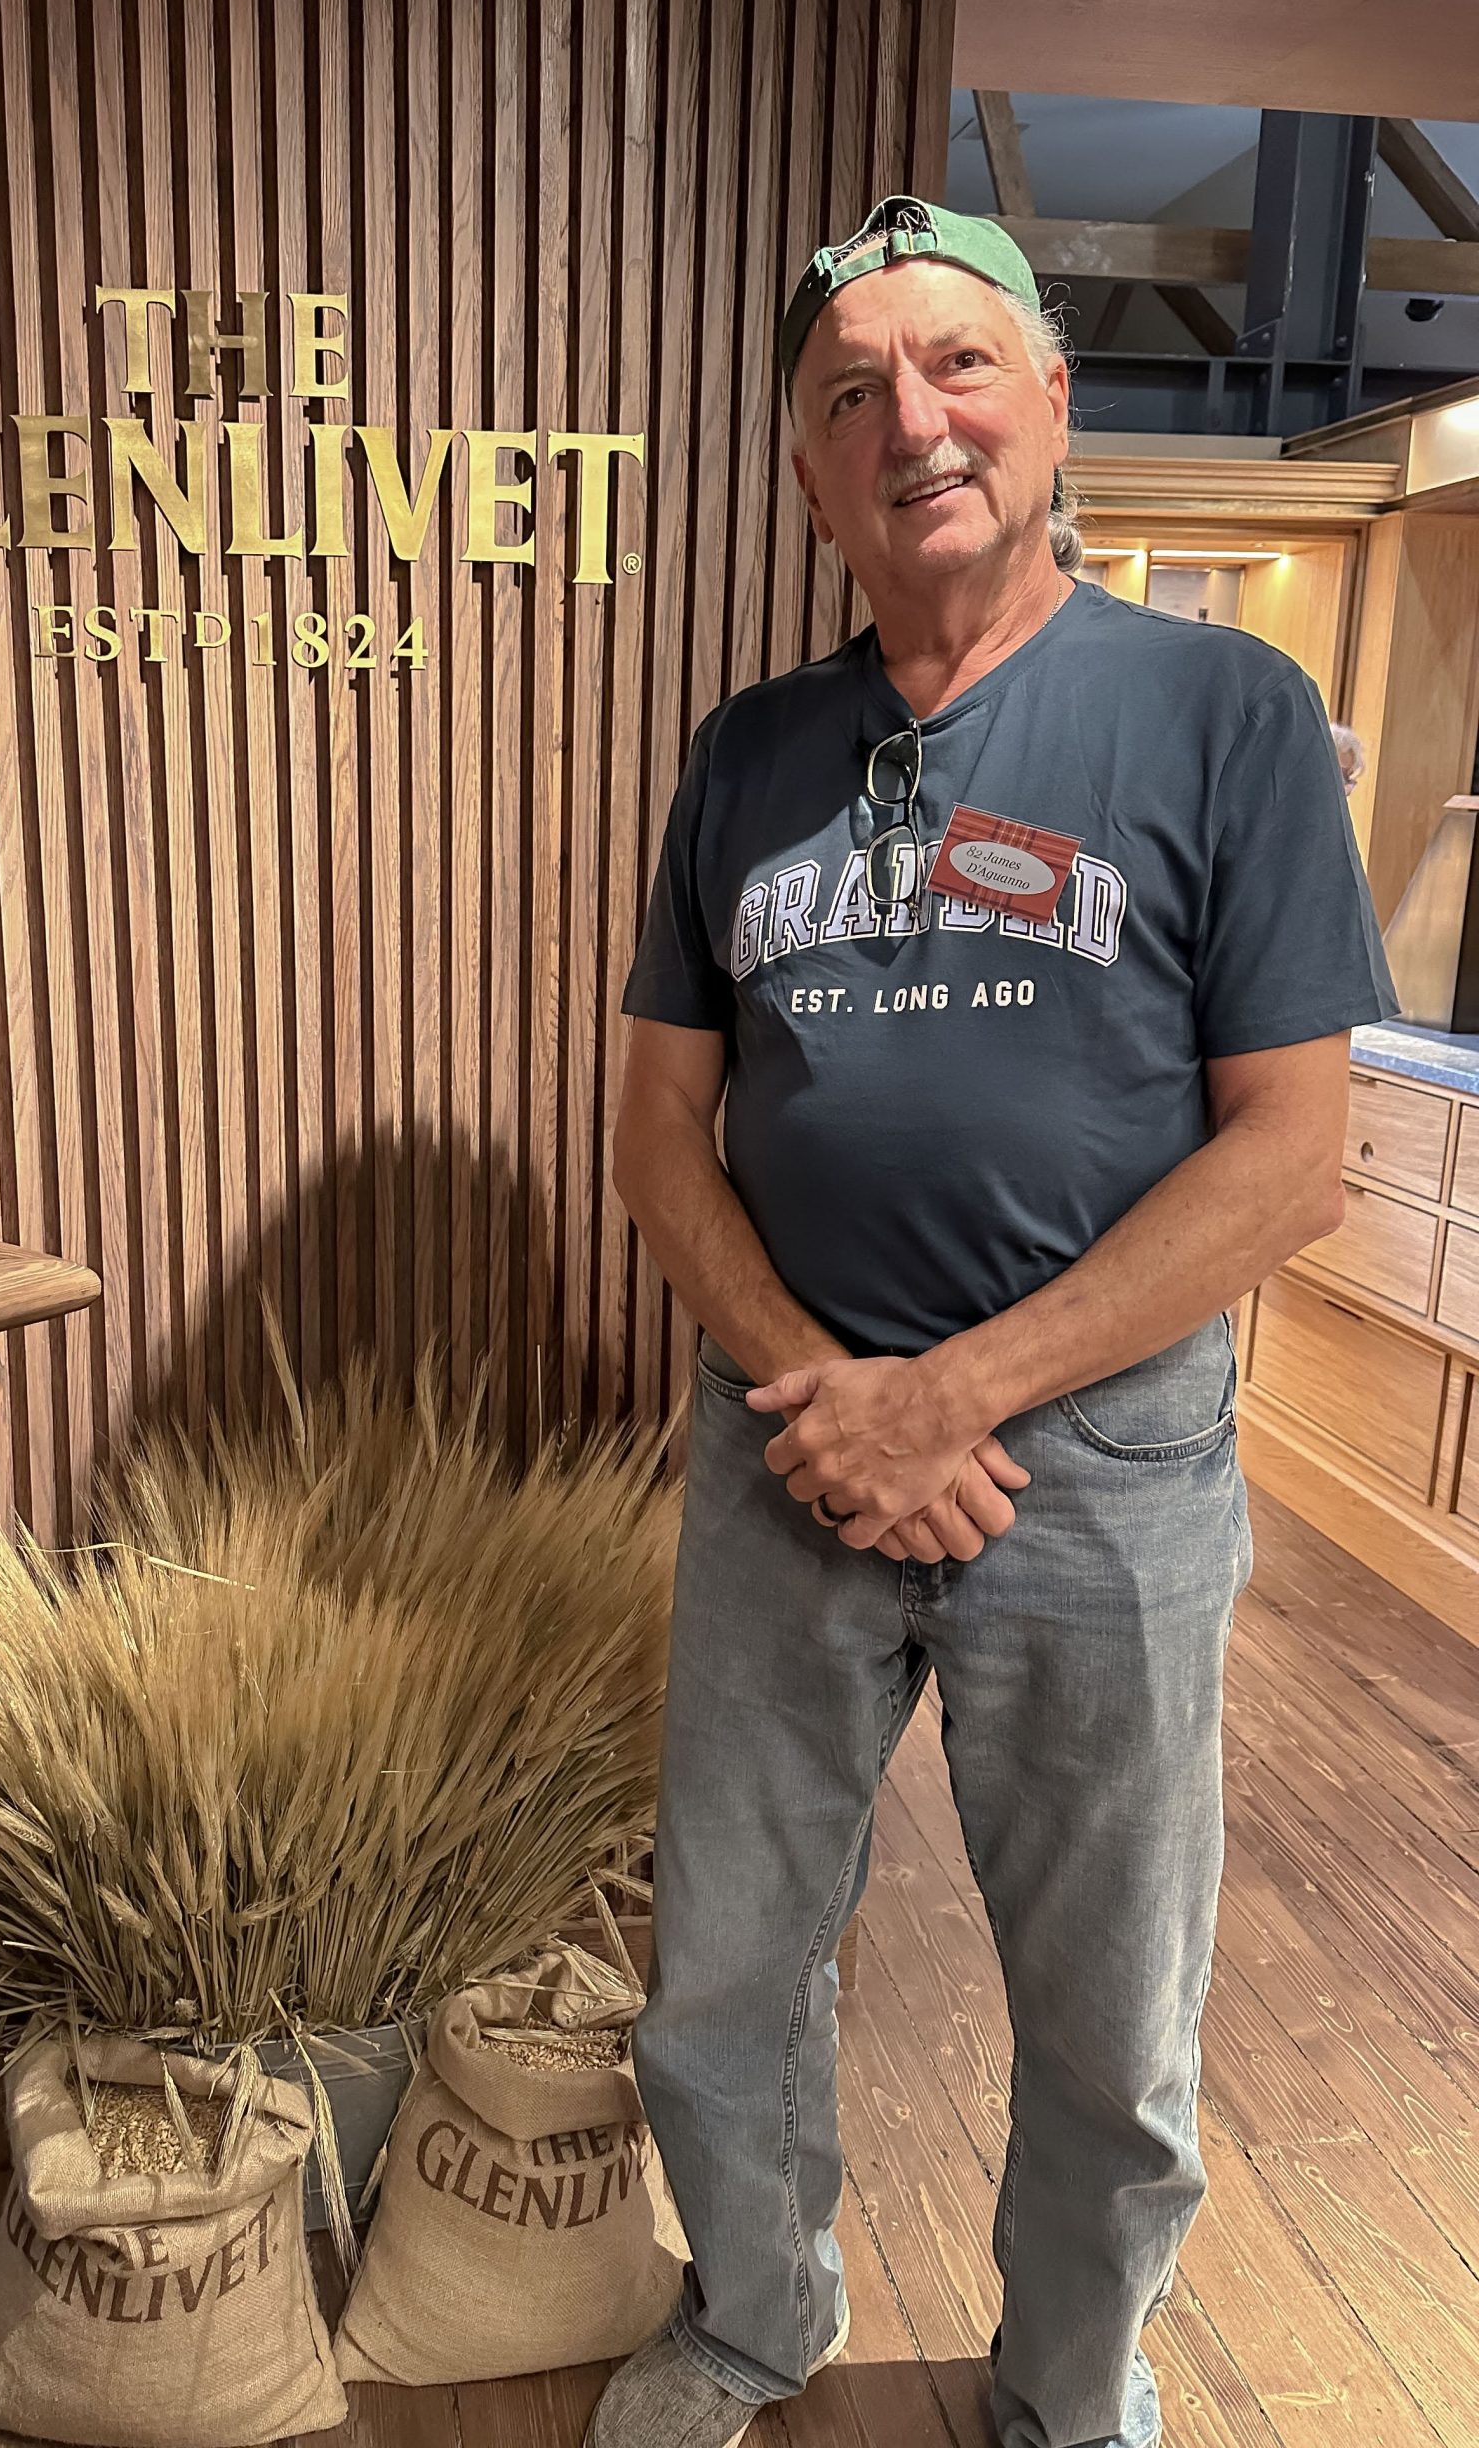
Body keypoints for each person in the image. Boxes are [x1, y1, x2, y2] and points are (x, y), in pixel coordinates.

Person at [591, 194, 1398, 2448]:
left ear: (1051, 399)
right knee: (724, 1964)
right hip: (785, 1442)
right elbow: (656, 1129)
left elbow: (1289, 1157)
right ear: (808, 472)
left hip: (1100, 1465)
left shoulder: (1224, 711)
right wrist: (824, 1396)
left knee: (1109, 2004)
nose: (911, 420)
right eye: (852, 392)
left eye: (957, 364)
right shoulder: (750, 750)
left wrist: (948, 1396)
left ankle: (1070, 2384)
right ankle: (755, 2316)